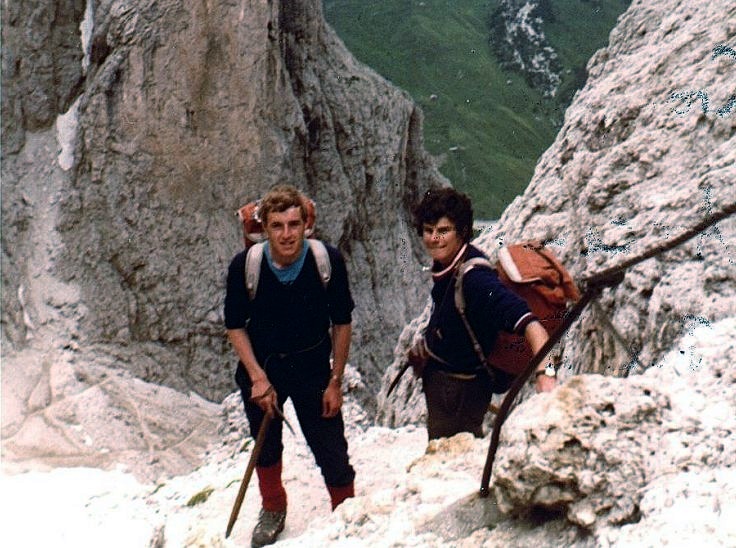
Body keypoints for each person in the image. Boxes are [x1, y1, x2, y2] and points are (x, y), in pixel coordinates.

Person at [224, 185, 356, 547]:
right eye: (278, 225)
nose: (286, 234)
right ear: (264, 227)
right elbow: (234, 325)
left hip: (313, 369)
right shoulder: (245, 266)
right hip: (264, 368)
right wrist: (257, 377)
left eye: (294, 224)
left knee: (330, 447)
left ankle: (346, 514)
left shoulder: (326, 261)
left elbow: (342, 321)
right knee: (265, 445)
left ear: (305, 225)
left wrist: (335, 380)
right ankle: (273, 507)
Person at [409, 188, 556, 440]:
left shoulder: (476, 280)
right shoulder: (451, 264)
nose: (434, 238)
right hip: (448, 387)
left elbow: (530, 323)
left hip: (459, 395)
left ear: (463, 231)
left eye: (443, 230)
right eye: (428, 230)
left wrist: (546, 374)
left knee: (450, 466)